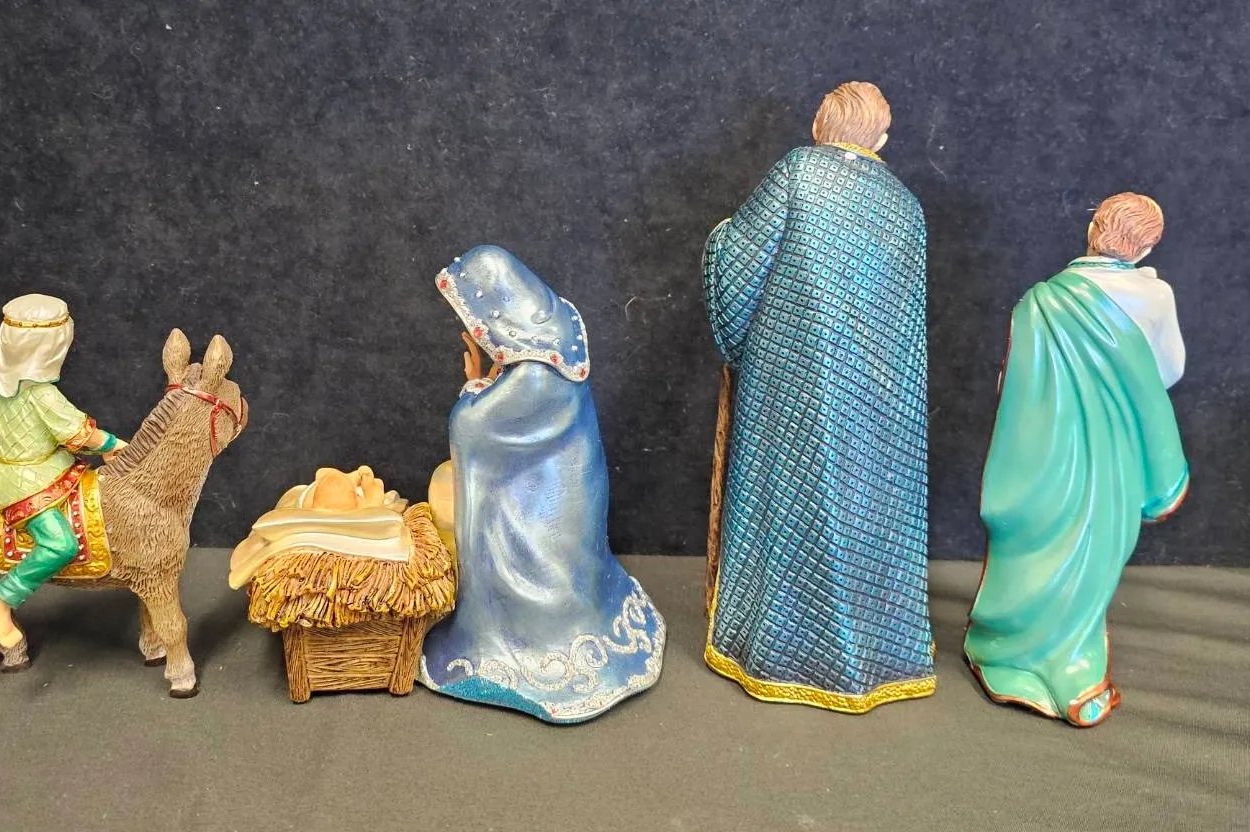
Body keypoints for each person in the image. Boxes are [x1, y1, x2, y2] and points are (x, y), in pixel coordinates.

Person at [702, 81, 935, 712]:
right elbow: (906, 319)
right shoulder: (906, 206)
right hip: (880, 395)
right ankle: (882, 653)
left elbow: (739, 259)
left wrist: (720, 236)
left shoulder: (799, 174)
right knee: (868, 501)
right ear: (880, 136)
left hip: (794, 376)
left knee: (789, 497)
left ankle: (776, 648)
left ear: (817, 125)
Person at [417, 245, 665, 724]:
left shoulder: (532, 377)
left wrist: (474, 387)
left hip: (538, 515)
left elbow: (471, 427)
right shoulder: (556, 337)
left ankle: (528, 655)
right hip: (569, 491)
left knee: (534, 568)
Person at [966, 193, 1188, 726]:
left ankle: (1003, 650)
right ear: (1147, 246)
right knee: (1095, 545)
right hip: (1112, 450)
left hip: (1044, 451)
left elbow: (1010, 382)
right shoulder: (1153, 296)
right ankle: (1070, 669)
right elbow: (1170, 370)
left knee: (1038, 540)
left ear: (1094, 230)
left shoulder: (1042, 301)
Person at [0, 294, 125, 649]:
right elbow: (79, 433)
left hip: (40, 466)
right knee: (60, 543)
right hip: (26, 482)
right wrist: (116, 444)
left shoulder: (1, 391)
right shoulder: (42, 395)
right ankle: (2, 598)